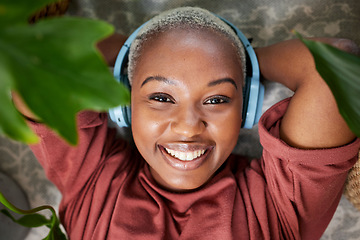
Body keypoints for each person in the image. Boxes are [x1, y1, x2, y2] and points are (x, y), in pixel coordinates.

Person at [13, 7, 360, 240]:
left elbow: (336, 66)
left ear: (247, 108)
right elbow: (34, 60)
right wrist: (129, 53)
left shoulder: (276, 208)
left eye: (216, 99)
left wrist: (248, 61)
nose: (188, 125)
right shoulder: (93, 181)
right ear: (125, 106)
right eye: (162, 98)